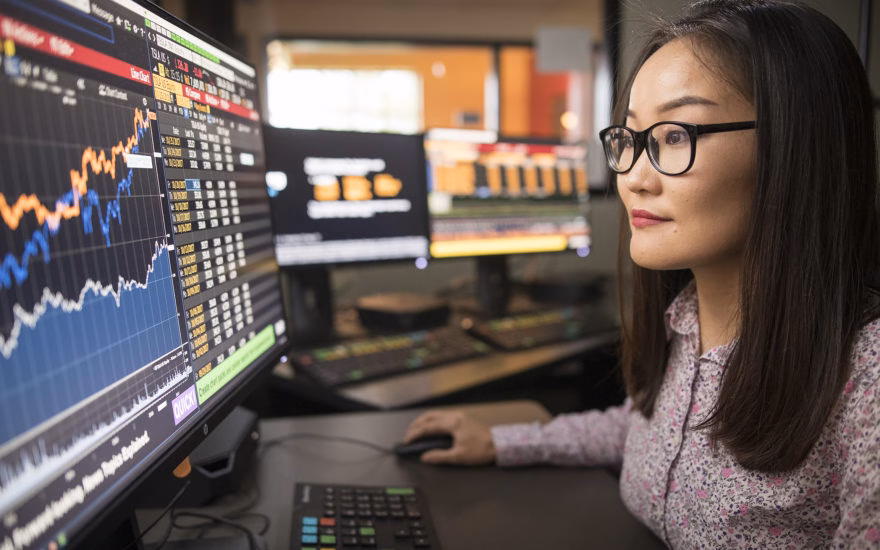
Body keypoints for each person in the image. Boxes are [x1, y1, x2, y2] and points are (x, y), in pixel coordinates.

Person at [402, 0, 880, 546]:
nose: (633, 178)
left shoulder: (867, 382)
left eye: (676, 135)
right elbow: (642, 428)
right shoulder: (686, 322)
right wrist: (503, 441)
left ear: (798, 144)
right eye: (630, 138)